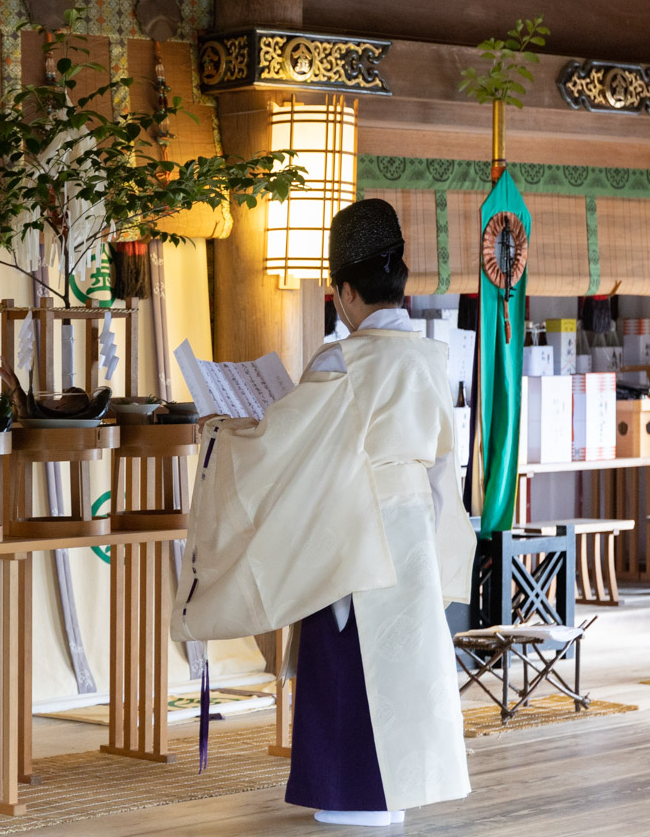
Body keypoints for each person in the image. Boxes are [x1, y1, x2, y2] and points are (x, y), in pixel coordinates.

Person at [174, 198, 475, 827]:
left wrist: (221, 435)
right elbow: (445, 467)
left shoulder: (343, 363)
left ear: (344, 291)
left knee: (352, 666)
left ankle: (352, 796)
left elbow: (280, 445)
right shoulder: (430, 359)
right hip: (414, 528)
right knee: (401, 668)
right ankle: (390, 795)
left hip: (353, 532)